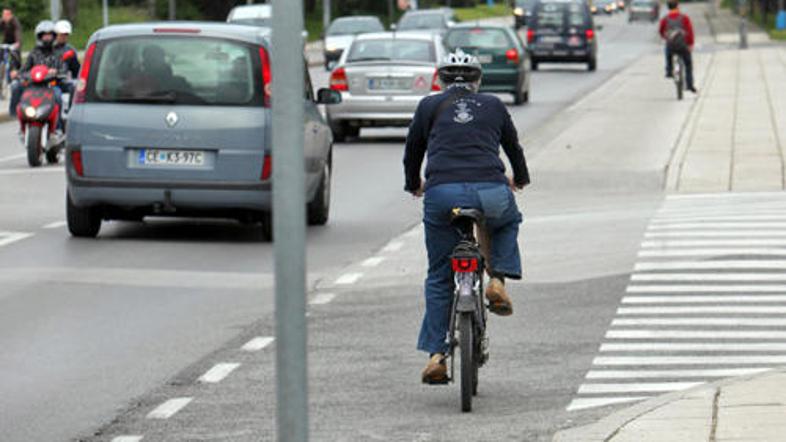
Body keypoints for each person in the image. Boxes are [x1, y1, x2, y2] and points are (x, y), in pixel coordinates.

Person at [403, 49, 530, 383]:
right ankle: (498, 280)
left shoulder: (428, 105)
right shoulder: (493, 105)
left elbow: (413, 150)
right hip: (491, 189)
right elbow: (513, 146)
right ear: (478, 80)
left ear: (441, 80)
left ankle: (436, 355)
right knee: (506, 222)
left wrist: (413, 183)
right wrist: (521, 177)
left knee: (439, 275)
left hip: (442, 195)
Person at [9, 21, 65, 127]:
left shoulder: (58, 53)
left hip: (51, 85)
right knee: (15, 86)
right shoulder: (34, 53)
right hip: (34, 86)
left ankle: (58, 125)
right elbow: (24, 70)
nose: (47, 38)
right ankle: (16, 115)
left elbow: (63, 69)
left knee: (58, 96)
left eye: (49, 35)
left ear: (54, 36)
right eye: (44, 35)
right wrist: (17, 73)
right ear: (40, 37)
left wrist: (56, 71)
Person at [659, 0, 697, 93]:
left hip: (671, 46)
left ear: (668, 8)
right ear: (678, 6)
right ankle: (689, 85)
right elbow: (690, 33)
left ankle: (669, 70)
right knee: (688, 64)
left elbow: (661, 31)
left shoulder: (665, 19)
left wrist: (666, 37)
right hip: (683, 46)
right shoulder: (684, 18)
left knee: (667, 52)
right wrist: (690, 44)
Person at [0, 7, 22, 80]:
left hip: (15, 42)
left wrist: (18, 42)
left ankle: (17, 72)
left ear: (11, 15)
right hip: (5, 41)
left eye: (7, 14)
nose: (5, 16)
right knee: (1, 55)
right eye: (3, 14)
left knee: (16, 57)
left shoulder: (15, 22)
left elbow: (17, 31)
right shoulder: (2, 21)